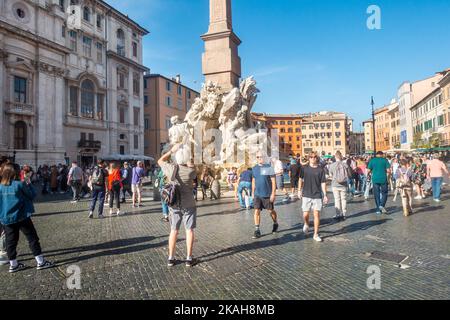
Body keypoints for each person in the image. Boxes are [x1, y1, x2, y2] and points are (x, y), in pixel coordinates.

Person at [0, 164, 54, 273]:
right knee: (32, 238)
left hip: (6, 218)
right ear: (14, 173)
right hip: (21, 216)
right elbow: (32, 195)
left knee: (11, 242)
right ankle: (40, 262)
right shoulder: (19, 184)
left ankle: (13, 264)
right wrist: (28, 183)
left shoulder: (0, 186)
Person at [158, 143, 198, 267]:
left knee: (174, 230)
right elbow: (195, 171)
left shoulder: (170, 168)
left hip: (174, 204)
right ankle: (189, 258)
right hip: (189, 204)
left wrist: (171, 151)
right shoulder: (191, 171)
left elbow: (160, 160)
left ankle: (171, 258)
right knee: (189, 230)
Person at [298, 152, 328, 242]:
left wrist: (325, 195)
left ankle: (315, 234)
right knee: (305, 214)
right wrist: (299, 190)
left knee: (316, 215)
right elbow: (300, 179)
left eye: (314, 157)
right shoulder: (304, 168)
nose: (313, 158)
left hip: (317, 194)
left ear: (317, 158)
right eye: (311, 157)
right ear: (309, 158)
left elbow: (323, 183)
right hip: (306, 194)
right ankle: (306, 224)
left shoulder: (321, 170)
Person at [252, 152, 279, 239]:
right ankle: (257, 230)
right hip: (257, 194)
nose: (259, 158)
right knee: (256, 211)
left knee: (271, 211)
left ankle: (275, 223)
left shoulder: (268, 167)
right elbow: (253, 181)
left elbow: (273, 181)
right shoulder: (254, 168)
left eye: (261, 156)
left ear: (264, 157)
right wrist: (253, 193)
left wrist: (273, 194)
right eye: (258, 157)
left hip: (267, 194)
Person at [328, 151, 350, 220]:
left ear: (335, 157)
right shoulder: (345, 165)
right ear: (341, 157)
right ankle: (344, 214)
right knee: (344, 199)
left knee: (337, 199)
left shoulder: (331, 165)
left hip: (335, 184)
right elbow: (348, 174)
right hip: (344, 185)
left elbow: (330, 175)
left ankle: (337, 214)